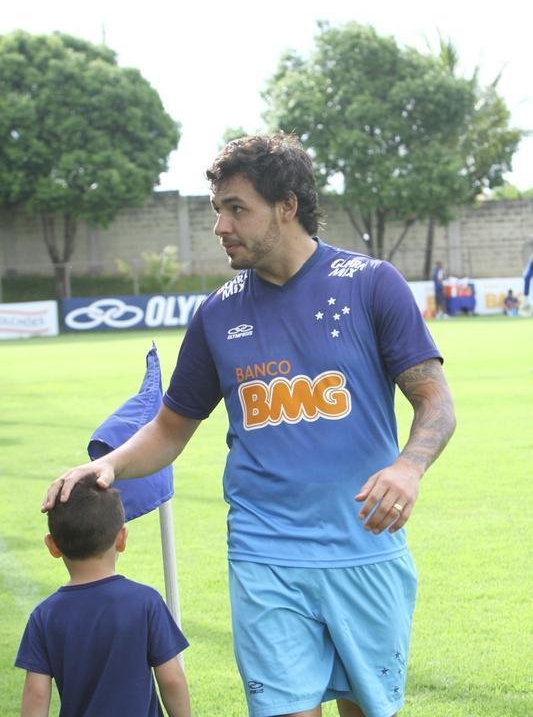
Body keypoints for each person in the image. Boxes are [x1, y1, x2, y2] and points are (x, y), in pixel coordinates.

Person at [43, 134, 456, 717]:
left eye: (237, 208)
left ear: (287, 206)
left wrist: (409, 467)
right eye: (218, 210)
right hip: (265, 552)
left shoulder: (369, 284)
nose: (221, 226)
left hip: (363, 548)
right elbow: (169, 427)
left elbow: (435, 400)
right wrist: (108, 462)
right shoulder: (217, 313)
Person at [19, 474, 190, 717]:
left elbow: (35, 694)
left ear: (52, 546)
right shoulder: (146, 602)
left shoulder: (44, 616)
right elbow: (172, 679)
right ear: (121, 538)